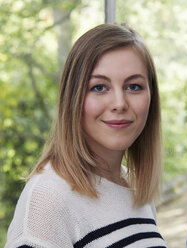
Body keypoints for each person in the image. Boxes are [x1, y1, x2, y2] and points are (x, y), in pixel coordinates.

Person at [6, 23, 167, 247]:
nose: (119, 103)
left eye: (133, 86)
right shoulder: (48, 198)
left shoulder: (134, 187)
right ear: (72, 98)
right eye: (99, 87)